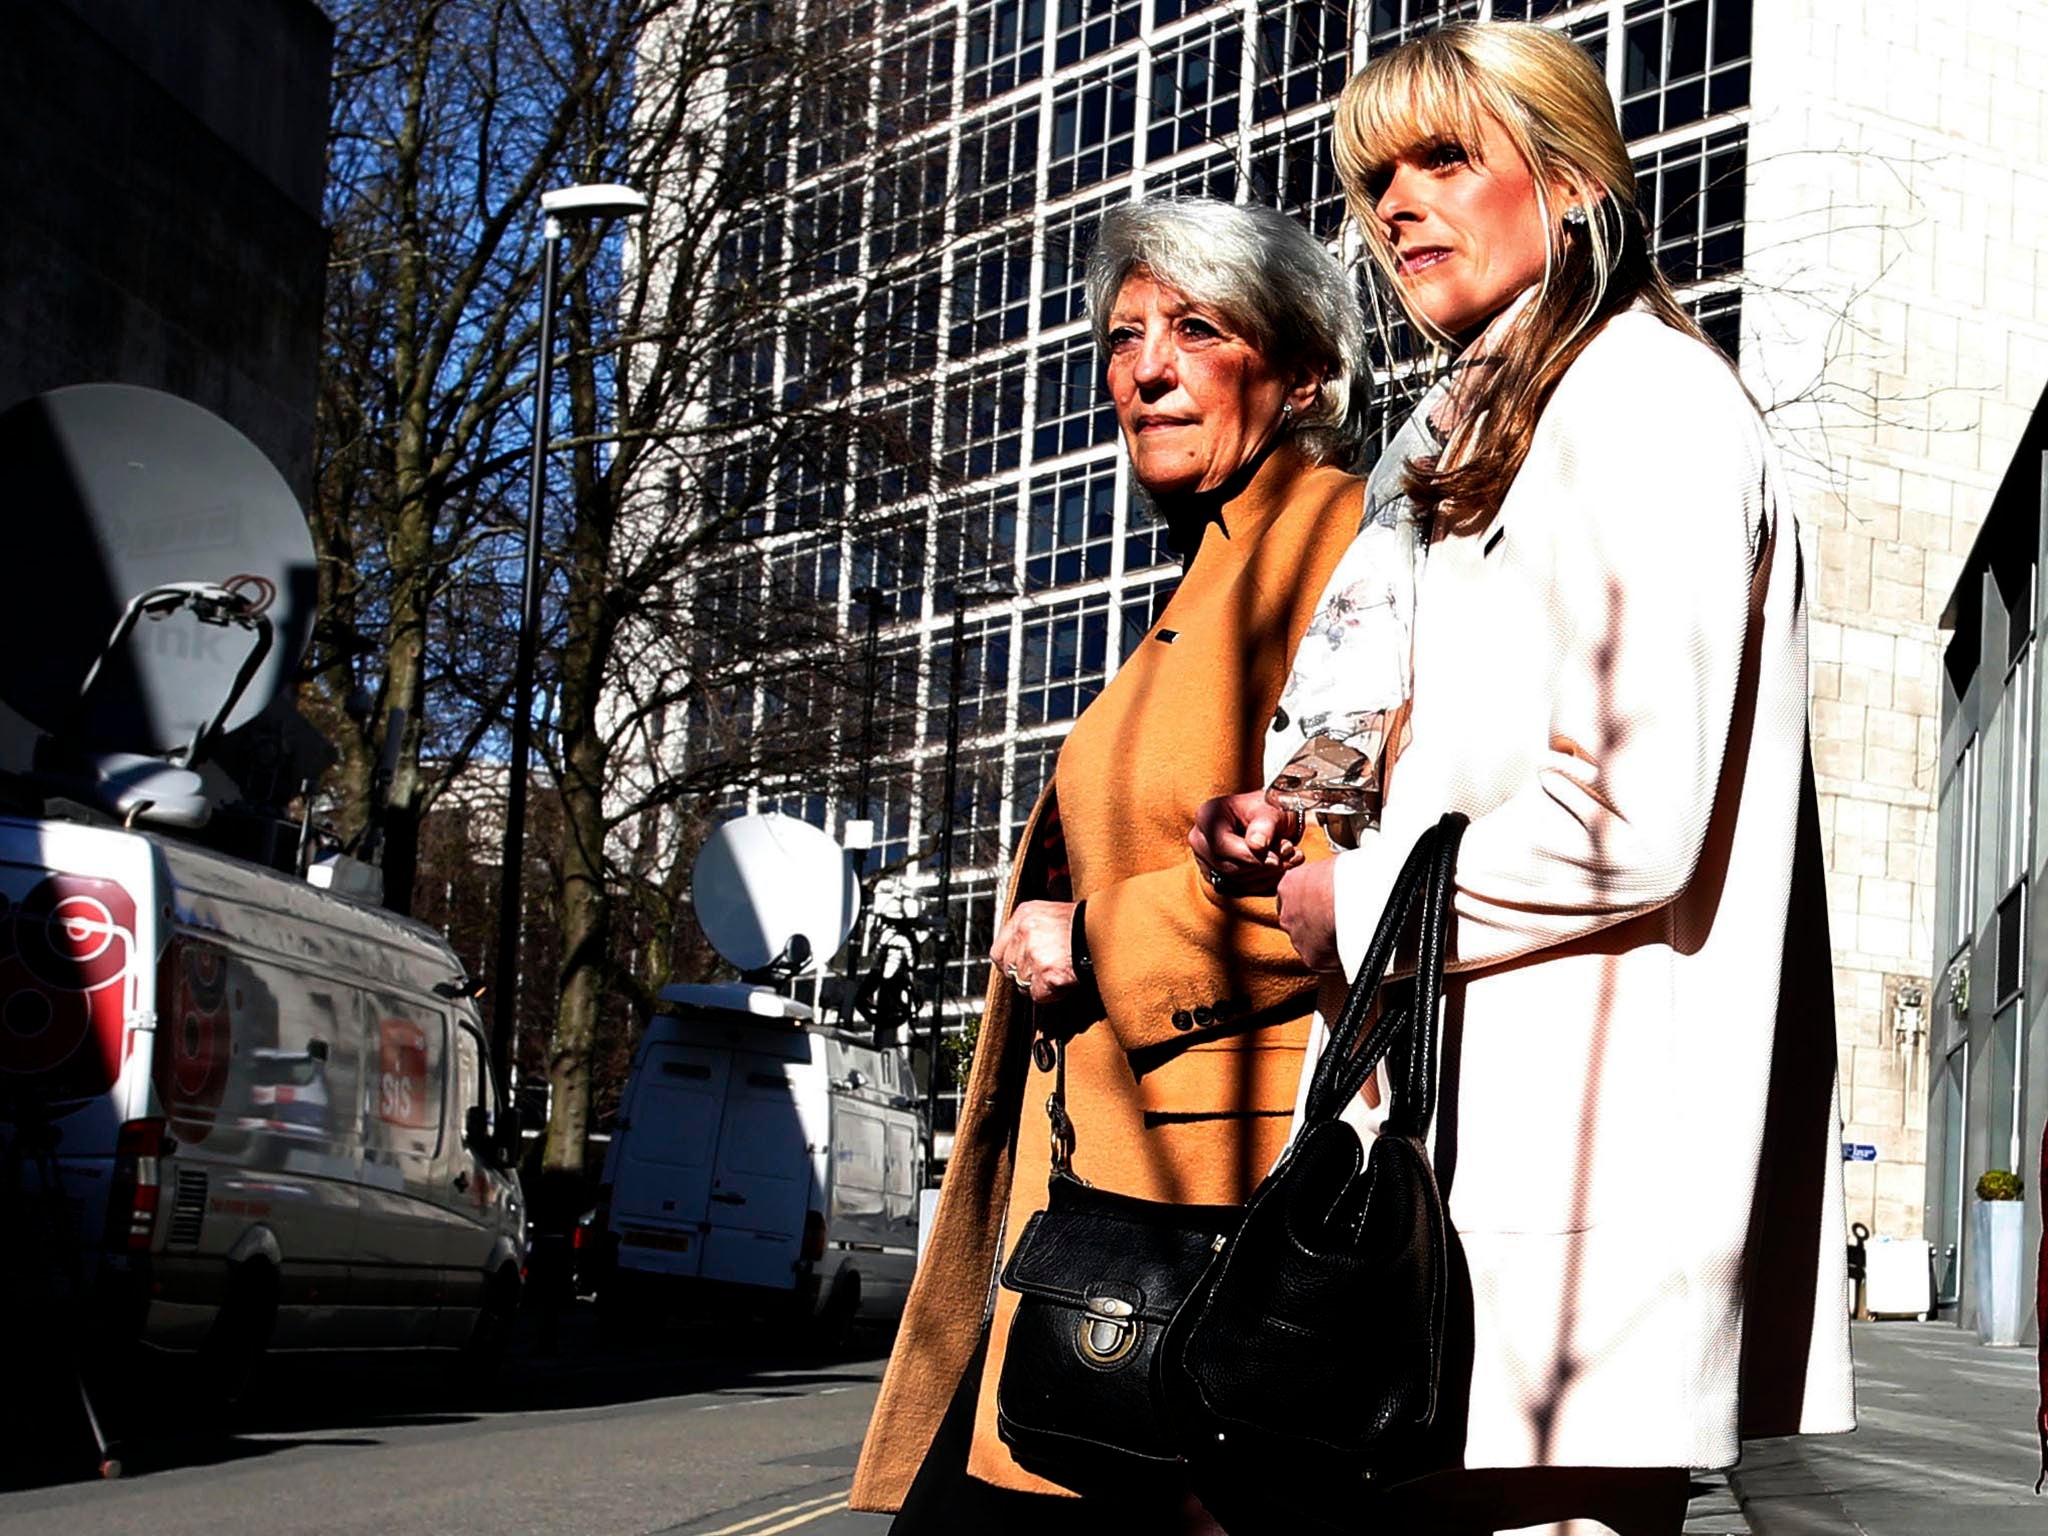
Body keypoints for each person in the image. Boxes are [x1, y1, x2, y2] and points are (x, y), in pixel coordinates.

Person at [1190, 22, 1853, 1536]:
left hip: (1575, 1211)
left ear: (1566, 185)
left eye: (1442, 159)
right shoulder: (1497, 428)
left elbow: (1630, 819)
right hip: (1495, 1181)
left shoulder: (1643, 408)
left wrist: (1350, 903)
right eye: (1374, 178)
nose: (1396, 206)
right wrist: (1318, 820)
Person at [850, 197, 1371, 1530]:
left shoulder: (1336, 559)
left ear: (1305, 372)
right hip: (1105, 1222)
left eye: (1197, 331)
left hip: (1199, 1249)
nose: (1144, 368)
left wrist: (1098, 941)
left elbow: (1352, 875)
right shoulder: (1211, 576)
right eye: (1126, 334)